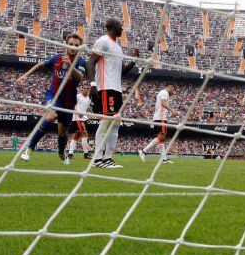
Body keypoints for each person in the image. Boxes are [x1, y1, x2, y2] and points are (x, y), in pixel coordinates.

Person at [16, 33, 85, 164]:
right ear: (66, 44)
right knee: (49, 117)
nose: (73, 47)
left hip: (68, 102)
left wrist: (70, 66)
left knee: (63, 134)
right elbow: (41, 65)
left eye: (76, 45)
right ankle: (29, 148)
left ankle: (60, 151)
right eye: (71, 44)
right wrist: (26, 75)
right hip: (53, 95)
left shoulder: (80, 62)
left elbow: (80, 77)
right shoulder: (56, 58)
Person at [87, 18, 138, 169]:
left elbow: (122, 72)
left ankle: (108, 158)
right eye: (121, 26)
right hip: (105, 87)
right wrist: (93, 83)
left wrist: (134, 61)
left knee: (115, 124)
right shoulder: (103, 41)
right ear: (114, 27)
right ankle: (97, 159)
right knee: (105, 122)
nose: (122, 29)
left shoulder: (118, 47)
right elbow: (90, 62)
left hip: (116, 89)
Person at [138, 83, 178, 163]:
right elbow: (163, 103)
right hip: (161, 118)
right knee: (162, 137)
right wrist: (172, 110)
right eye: (173, 89)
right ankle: (143, 151)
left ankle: (164, 159)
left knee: (161, 140)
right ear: (170, 87)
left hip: (159, 117)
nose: (173, 92)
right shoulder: (164, 93)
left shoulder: (163, 93)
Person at [68, 83, 92, 159]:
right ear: (81, 89)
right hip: (78, 118)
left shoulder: (88, 99)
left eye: (87, 88)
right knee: (85, 135)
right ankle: (86, 153)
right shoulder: (78, 96)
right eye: (84, 88)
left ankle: (70, 154)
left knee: (76, 136)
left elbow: (86, 108)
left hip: (83, 118)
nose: (86, 90)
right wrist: (78, 112)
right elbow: (71, 105)